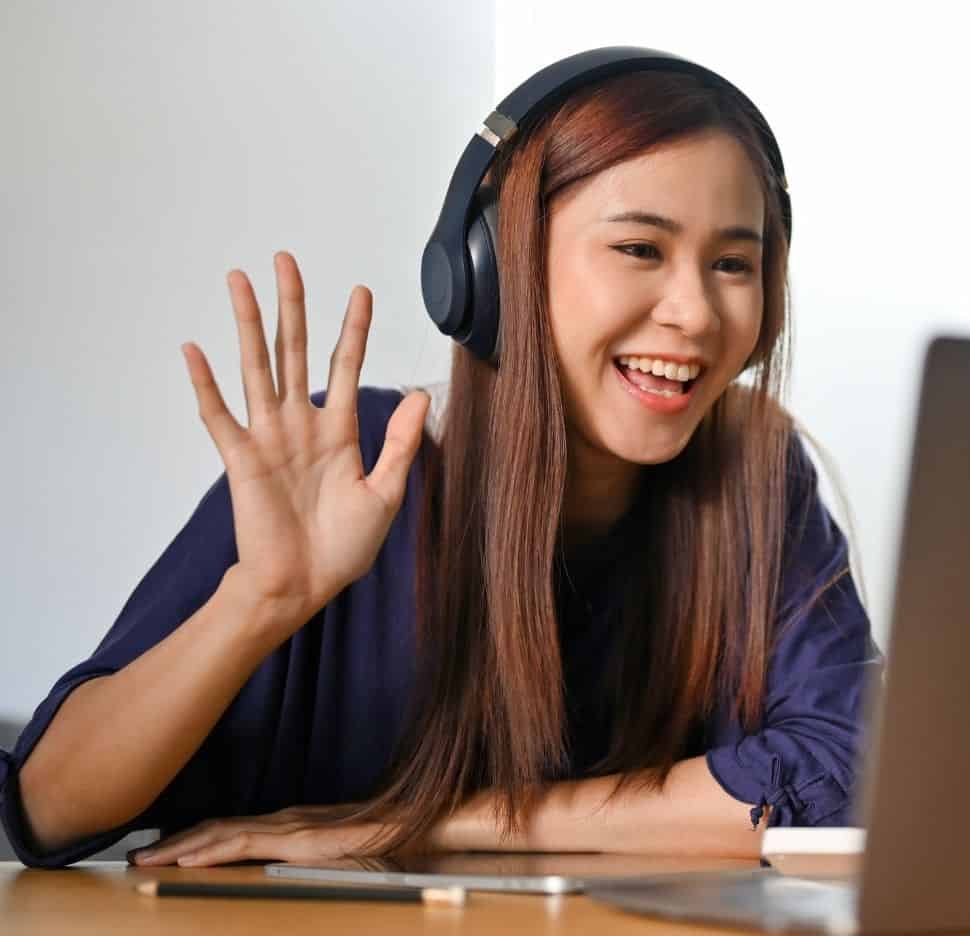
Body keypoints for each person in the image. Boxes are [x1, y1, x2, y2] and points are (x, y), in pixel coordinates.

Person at [0, 50, 877, 869]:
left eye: (733, 263)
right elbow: (47, 813)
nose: (693, 312)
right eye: (639, 249)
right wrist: (262, 600)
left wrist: (424, 824)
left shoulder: (758, 480)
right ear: (493, 270)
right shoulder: (345, 465)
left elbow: (842, 779)